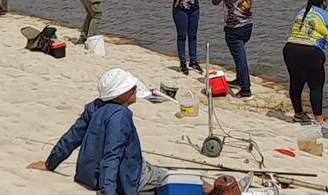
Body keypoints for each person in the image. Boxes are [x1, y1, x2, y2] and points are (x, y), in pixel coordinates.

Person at [27, 68, 214, 195]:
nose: (134, 89)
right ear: (119, 93)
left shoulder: (94, 106)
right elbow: (112, 156)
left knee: (164, 171)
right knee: (193, 182)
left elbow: (72, 137)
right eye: (130, 87)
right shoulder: (121, 116)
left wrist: (50, 163)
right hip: (128, 176)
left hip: (88, 174)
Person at [212, 0, 255, 100]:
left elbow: (215, 1)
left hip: (234, 26)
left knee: (239, 57)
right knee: (239, 54)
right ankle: (239, 79)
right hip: (248, 24)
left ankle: (246, 90)